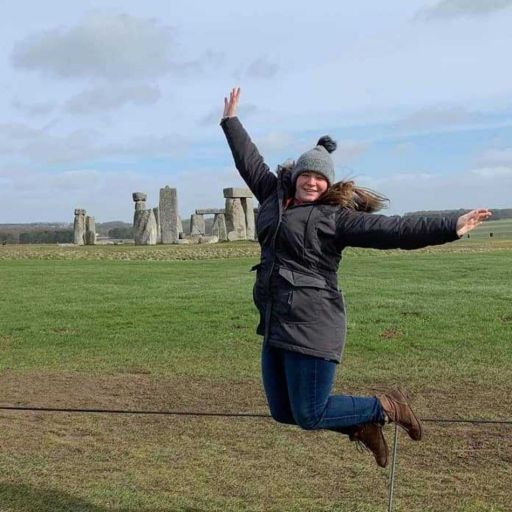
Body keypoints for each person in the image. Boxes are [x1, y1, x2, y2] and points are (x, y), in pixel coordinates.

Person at [220, 87, 491, 468]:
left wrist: (450, 225)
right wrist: (231, 122)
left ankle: (384, 407)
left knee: (310, 414)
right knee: (284, 412)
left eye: (320, 178)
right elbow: (249, 161)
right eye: (307, 174)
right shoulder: (272, 196)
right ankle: (361, 426)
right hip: (277, 321)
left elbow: (392, 230)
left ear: (328, 184)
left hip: (313, 324)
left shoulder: (334, 219)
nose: (312, 182)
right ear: (296, 174)